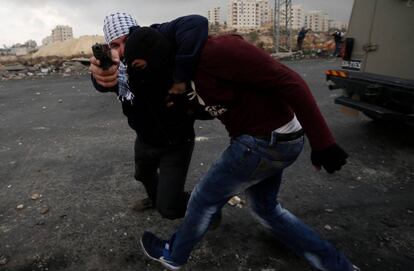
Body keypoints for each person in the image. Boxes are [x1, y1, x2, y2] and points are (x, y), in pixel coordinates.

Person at [124, 28, 360, 271]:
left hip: (264, 141)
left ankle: (173, 255)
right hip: (271, 142)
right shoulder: (181, 74)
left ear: (155, 54)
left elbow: (291, 82)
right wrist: (186, 106)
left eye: (142, 66)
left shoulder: (218, 50)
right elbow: (221, 105)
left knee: (203, 199)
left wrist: (323, 142)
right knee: (266, 210)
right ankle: (338, 266)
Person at [89, 12, 208, 219]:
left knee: (169, 209)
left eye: (127, 40)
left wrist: (180, 78)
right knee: (143, 175)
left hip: (176, 143)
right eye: (115, 45)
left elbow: (196, 23)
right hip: (145, 140)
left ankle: (206, 207)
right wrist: (98, 76)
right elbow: (103, 80)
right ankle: (155, 198)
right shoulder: (120, 70)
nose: (124, 49)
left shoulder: (157, 41)